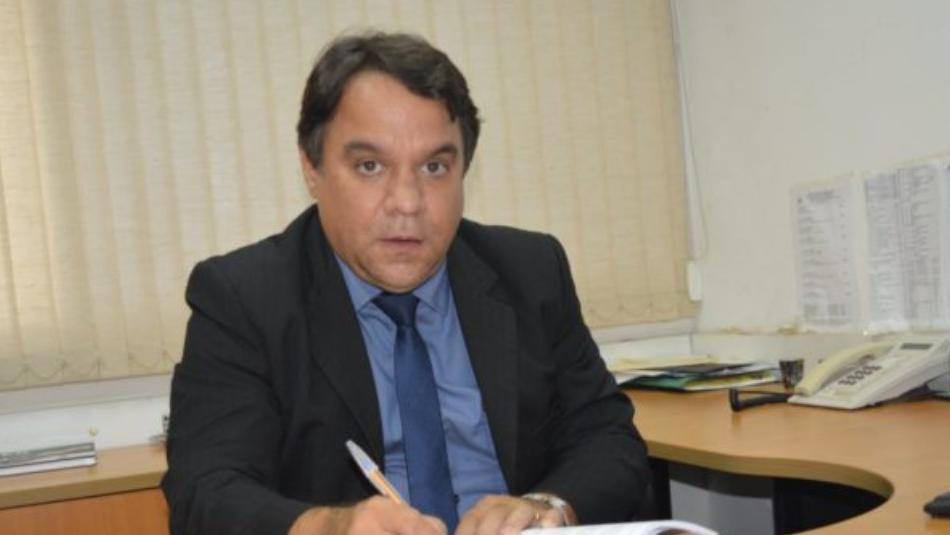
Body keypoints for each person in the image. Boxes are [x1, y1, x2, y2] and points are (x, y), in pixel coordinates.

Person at [162, 31, 651, 535]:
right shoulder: (244, 298)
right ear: (312, 167)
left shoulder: (530, 271)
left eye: (435, 167)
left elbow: (609, 440)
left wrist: (547, 507)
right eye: (370, 166)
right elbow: (206, 490)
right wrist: (330, 527)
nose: (407, 203)